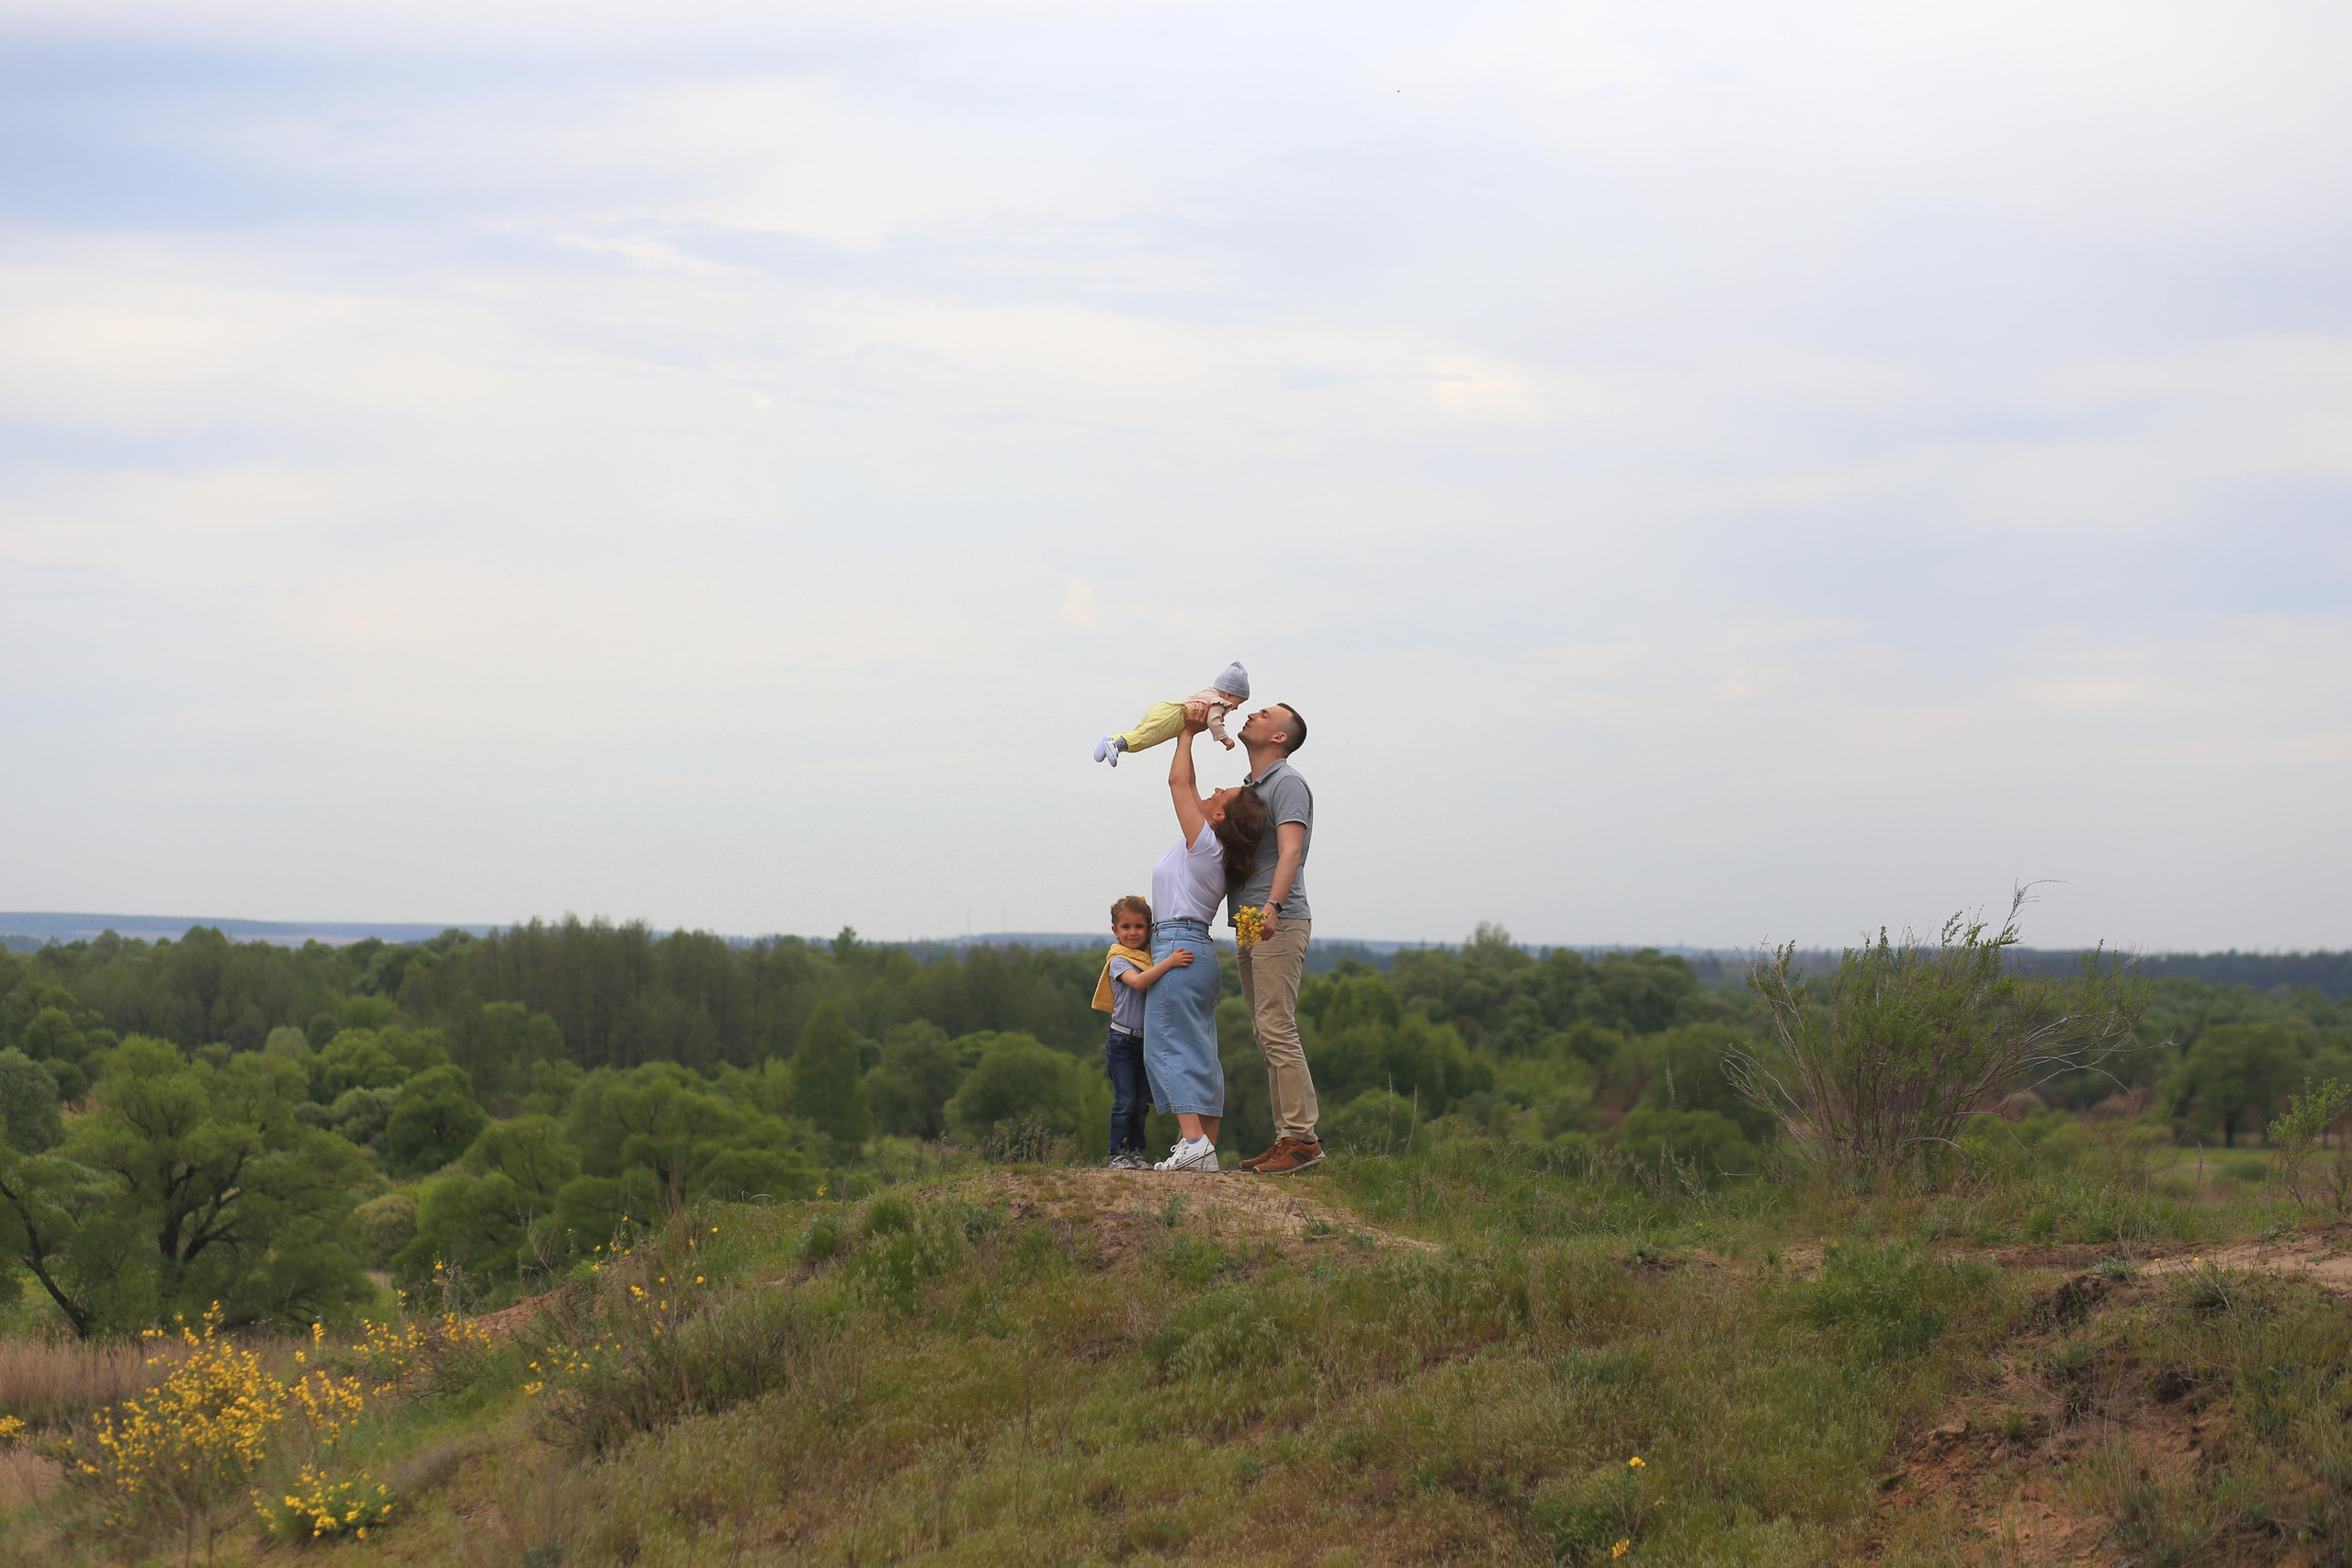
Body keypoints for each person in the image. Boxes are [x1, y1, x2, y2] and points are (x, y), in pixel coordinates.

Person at [1142, 707, 1268, 1172]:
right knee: (1198, 1047)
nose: (1214, 790)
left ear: (1219, 816)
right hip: (1198, 952)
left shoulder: (1206, 846)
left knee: (1166, 1043)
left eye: (1223, 794)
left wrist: (1186, 735)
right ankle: (1203, 1149)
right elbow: (1190, 788)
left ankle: (1192, 1140)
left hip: (1175, 946)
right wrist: (1187, 735)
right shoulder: (1213, 849)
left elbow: (1178, 786)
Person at [1224, 700, 1324, 1174]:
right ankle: (1288, 1136)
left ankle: (1302, 1139)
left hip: (1276, 920)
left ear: (1279, 737)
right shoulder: (1253, 786)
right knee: (1267, 1030)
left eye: (1262, 714)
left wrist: (1272, 907)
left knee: (1277, 1026)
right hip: (1250, 919)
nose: (1252, 715)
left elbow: (1292, 851)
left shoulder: (1286, 783)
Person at [1091, 895, 1193, 1170]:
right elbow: (1137, 982)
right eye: (1126, 927)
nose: (1132, 932)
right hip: (1122, 1040)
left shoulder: (1150, 957)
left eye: (1139, 926)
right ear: (1115, 931)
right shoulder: (1119, 960)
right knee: (1124, 1100)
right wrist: (1169, 963)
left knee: (1140, 1102)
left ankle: (1136, 1152)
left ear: (1149, 929)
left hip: (1148, 1041)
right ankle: (1117, 1153)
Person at [1092, 660, 1250, 766]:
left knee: (1140, 733)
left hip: (1165, 708)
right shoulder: (1218, 702)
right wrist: (1225, 739)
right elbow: (1214, 721)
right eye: (1239, 702)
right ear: (1229, 695)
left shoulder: (1208, 692)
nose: (1236, 707)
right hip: (1175, 717)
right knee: (1145, 739)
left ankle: (1111, 739)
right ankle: (1115, 745)